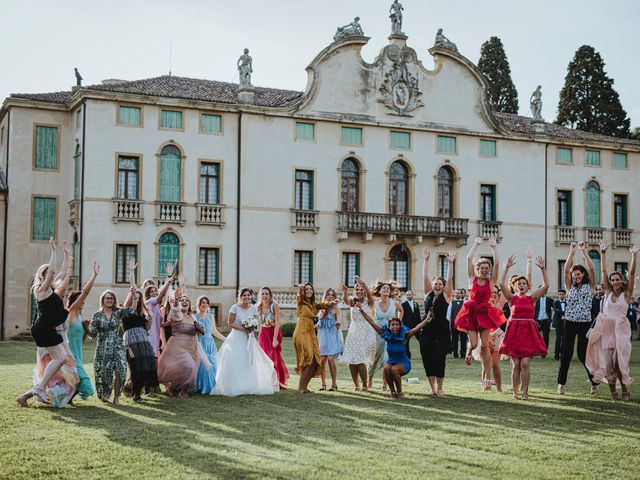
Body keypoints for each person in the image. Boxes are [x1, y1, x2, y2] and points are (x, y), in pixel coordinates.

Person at [17, 239, 77, 407]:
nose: (50, 273)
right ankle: (39, 387)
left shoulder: (50, 288)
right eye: (46, 272)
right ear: (41, 276)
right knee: (61, 358)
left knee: (62, 358)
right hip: (43, 329)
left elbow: (62, 272)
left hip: (46, 329)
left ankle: (39, 388)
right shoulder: (41, 289)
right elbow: (51, 272)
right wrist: (53, 251)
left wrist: (66, 254)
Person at [586, 241, 638, 401]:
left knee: (620, 363)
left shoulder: (627, 295)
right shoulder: (607, 292)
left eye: (617, 279)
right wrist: (602, 253)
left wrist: (634, 255)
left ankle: (624, 390)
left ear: (622, 281)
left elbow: (630, 274)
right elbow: (603, 271)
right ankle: (613, 393)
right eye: (612, 280)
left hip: (621, 332)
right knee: (608, 364)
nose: (615, 282)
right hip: (607, 332)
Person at [454, 236, 505, 390]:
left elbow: (497, 264)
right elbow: (469, 258)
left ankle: (487, 381)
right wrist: (476, 244)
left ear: (488, 270)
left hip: (484, 314)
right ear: (478, 269)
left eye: (486, 268)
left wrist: (494, 248)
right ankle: (469, 352)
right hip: (471, 313)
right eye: (481, 268)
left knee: (484, 347)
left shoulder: (491, 281)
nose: (484, 270)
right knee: (475, 344)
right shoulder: (472, 279)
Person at [499, 255, 549, 400]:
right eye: (519, 283)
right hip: (514, 333)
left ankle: (525, 392)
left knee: (525, 363)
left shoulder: (531, 299)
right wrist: (506, 268)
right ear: (515, 286)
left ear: (527, 286)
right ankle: (515, 392)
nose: (521, 285)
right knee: (516, 364)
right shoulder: (511, 298)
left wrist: (542, 269)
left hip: (527, 333)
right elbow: (502, 285)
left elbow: (546, 286)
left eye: (524, 283)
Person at [212, 288, 279, 397]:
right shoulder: (234, 307)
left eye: (248, 295)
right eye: (244, 295)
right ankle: (234, 384)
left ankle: (248, 384)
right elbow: (230, 323)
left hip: (249, 338)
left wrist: (253, 326)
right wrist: (244, 328)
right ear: (240, 296)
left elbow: (258, 320)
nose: (247, 297)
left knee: (249, 360)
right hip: (237, 337)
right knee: (236, 359)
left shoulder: (253, 308)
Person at [357, 311, 430, 399]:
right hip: (391, 361)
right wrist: (361, 311)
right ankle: (393, 392)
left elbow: (416, 328)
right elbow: (372, 322)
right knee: (386, 369)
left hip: (403, 362)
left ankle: (400, 392)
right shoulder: (386, 334)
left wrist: (427, 320)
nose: (395, 326)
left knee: (394, 369)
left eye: (397, 324)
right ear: (389, 326)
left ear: (400, 326)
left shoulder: (405, 336)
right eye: (393, 324)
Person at [557, 242, 598, 394]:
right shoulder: (569, 287)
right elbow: (566, 268)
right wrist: (572, 252)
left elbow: (592, 268)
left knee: (582, 354)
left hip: (585, 323)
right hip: (570, 322)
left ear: (583, 274)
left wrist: (584, 252)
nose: (576, 276)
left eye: (579, 274)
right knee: (566, 353)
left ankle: (594, 382)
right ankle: (561, 383)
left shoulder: (590, 286)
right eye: (574, 275)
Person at [420, 247, 455, 396]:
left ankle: (440, 388)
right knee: (427, 358)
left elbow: (450, 280)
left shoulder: (447, 296)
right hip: (426, 330)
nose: (438, 285)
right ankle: (432, 388)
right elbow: (425, 277)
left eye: (441, 284)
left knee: (439, 359)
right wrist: (426, 260)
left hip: (442, 331)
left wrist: (450, 264)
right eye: (436, 283)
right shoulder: (427, 293)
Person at [157, 289, 205, 396]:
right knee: (180, 368)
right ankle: (174, 388)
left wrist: (199, 328)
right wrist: (176, 300)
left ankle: (182, 390)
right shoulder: (176, 314)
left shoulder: (193, 318)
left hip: (190, 347)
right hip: (176, 346)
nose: (185, 302)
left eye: (187, 300)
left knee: (191, 367)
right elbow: (175, 312)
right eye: (182, 300)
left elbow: (201, 333)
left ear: (189, 304)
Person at [64, 262, 100, 402]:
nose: (83, 301)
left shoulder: (79, 316)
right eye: (80, 300)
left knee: (75, 375)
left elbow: (84, 337)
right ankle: (67, 397)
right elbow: (85, 292)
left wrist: (86, 328)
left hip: (77, 349)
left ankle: (68, 398)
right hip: (70, 349)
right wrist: (94, 276)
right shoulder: (72, 312)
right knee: (80, 376)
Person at [293, 283, 336, 394]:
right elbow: (299, 297)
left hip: (311, 331)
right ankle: (301, 388)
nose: (309, 291)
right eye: (307, 289)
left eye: (310, 289)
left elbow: (322, 305)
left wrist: (331, 303)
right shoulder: (301, 302)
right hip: (302, 331)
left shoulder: (312, 304)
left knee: (315, 359)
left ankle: (305, 387)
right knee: (308, 358)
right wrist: (301, 289)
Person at [122, 285, 159, 401]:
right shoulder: (126, 312)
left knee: (148, 366)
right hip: (131, 341)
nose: (137, 300)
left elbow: (147, 328)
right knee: (136, 367)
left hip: (143, 340)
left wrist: (151, 318)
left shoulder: (141, 313)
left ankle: (133, 388)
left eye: (138, 298)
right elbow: (131, 309)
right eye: (134, 298)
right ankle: (135, 395)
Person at [91, 289, 128, 405]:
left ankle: (116, 397)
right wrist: (86, 328)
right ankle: (105, 393)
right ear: (103, 300)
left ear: (114, 300)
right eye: (107, 298)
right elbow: (93, 334)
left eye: (111, 298)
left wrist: (133, 295)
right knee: (105, 374)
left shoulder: (118, 312)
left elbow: (130, 309)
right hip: (103, 347)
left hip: (117, 345)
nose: (109, 300)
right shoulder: (97, 315)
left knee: (121, 371)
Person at [340, 277, 377, 391]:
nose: (360, 291)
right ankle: (356, 385)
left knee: (360, 360)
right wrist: (345, 292)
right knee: (352, 360)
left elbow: (370, 294)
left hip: (366, 332)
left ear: (365, 291)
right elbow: (346, 300)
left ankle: (365, 385)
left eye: (362, 289)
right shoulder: (352, 301)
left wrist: (363, 283)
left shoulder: (369, 301)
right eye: (357, 289)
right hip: (354, 333)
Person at [369, 280, 403, 390]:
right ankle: (369, 380)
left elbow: (401, 311)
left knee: (386, 359)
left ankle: (385, 382)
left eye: (388, 288)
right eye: (384, 288)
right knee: (373, 358)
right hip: (377, 334)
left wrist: (397, 324)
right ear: (379, 291)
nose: (386, 289)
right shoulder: (374, 303)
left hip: (390, 335)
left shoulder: (394, 303)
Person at [256, 287, 289, 389]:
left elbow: (277, 323)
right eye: (263, 294)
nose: (265, 296)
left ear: (270, 295)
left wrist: (275, 339)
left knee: (273, 356)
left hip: (273, 332)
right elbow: (260, 323)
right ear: (260, 295)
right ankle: (266, 380)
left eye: (267, 294)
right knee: (264, 357)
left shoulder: (274, 305)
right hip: (263, 333)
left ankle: (277, 381)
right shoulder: (258, 306)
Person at [143, 264, 175, 356]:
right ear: (147, 294)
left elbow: (157, 322)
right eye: (151, 291)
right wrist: (169, 281)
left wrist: (164, 324)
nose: (154, 293)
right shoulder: (149, 302)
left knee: (154, 359)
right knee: (150, 358)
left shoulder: (156, 305)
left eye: (155, 290)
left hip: (155, 335)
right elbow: (162, 294)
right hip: (149, 335)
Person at [316, 288, 343, 391]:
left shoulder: (336, 308)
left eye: (332, 295)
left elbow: (338, 319)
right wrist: (317, 324)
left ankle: (334, 384)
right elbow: (320, 322)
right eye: (328, 295)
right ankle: (323, 384)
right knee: (322, 361)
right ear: (325, 296)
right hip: (322, 336)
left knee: (331, 359)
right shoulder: (322, 309)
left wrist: (338, 323)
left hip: (332, 336)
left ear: (335, 297)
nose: (330, 296)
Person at [401, 290, 421, 359]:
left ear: (412, 295)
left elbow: (418, 315)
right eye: (407, 295)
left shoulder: (416, 304)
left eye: (410, 294)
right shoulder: (403, 304)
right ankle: (408, 355)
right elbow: (402, 316)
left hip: (416, 325)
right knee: (406, 342)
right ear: (406, 296)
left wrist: (420, 324)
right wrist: (403, 325)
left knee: (421, 340)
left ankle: (424, 353)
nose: (409, 296)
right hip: (407, 326)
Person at [534, 289, 553, 354]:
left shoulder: (549, 300)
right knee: (534, 336)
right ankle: (534, 350)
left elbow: (555, 308)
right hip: (537, 321)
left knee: (546, 337)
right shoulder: (536, 300)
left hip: (546, 321)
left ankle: (544, 352)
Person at [448, 289, 466, 358]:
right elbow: (449, 314)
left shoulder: (464, 303)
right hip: (454, 324)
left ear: (461, 294)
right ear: (454, 294)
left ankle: (463, 354)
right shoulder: (451, 303)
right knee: (454, 339)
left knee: (463, 339)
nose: (457, 294)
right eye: (456, 293)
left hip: (463, 324)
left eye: (459, 293)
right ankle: (455, 354)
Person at [553, 290, 567, 360]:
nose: (561, 296)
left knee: (564, 339)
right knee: (558, 339)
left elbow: (569, 310)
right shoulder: (556, 302)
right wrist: (563, 314)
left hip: (566, 323)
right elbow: (556, 310)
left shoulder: (568, 302)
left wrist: (563, 313)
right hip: (558, 323)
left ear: (565, 295)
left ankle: (563, 354)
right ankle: (556, 355)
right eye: (560, 294)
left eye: (562, 294)